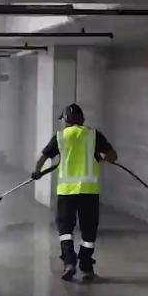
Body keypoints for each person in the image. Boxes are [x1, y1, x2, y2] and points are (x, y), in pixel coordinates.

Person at [32, 104, 118, 281]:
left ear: (65, 121)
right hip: (89, 191)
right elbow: (113, 156)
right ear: (82, 119)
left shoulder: (60, 137)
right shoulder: (94, 135)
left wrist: (37, 172)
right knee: (88, 231)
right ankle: (86, 268)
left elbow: (43, 157)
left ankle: (69, 263)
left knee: (65, 228)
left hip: (66, 192)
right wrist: (99, 158)